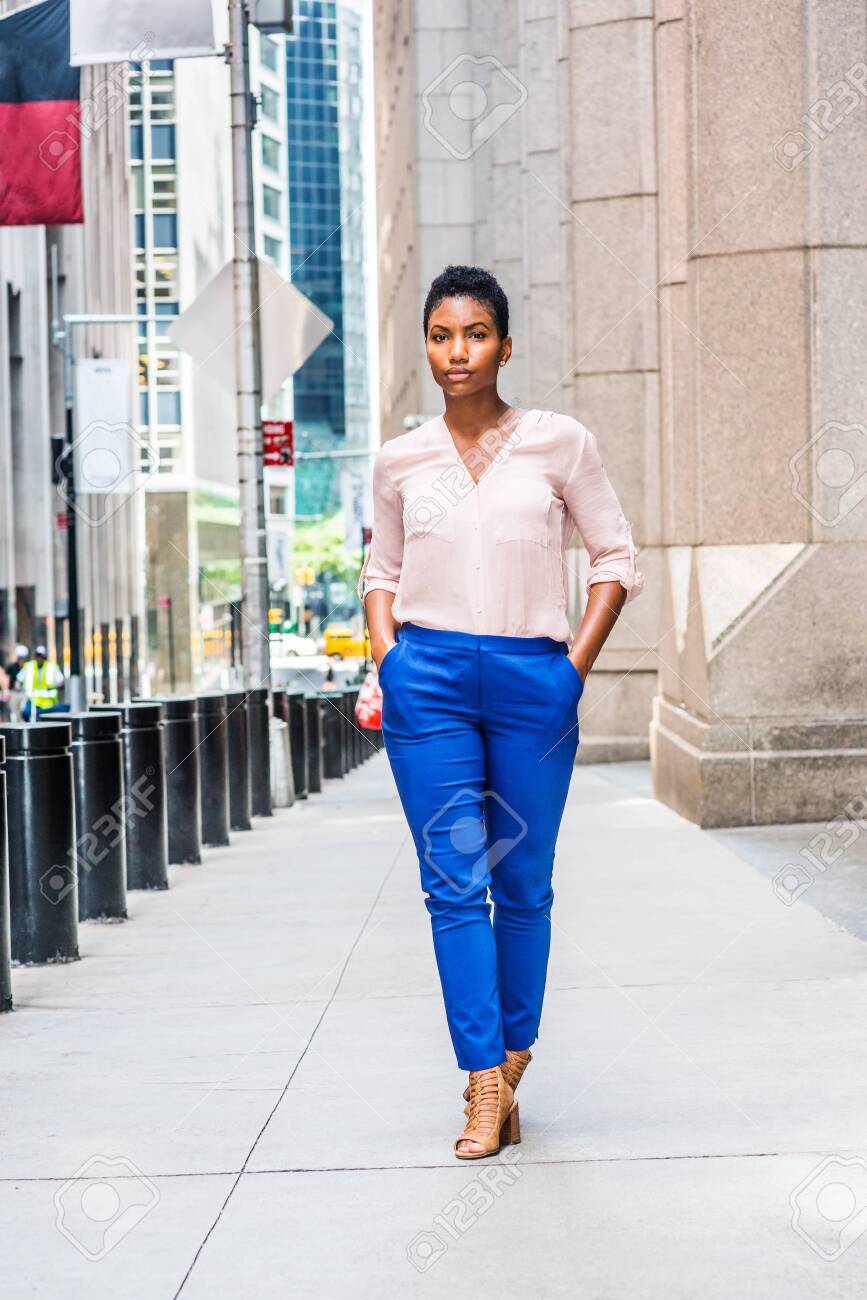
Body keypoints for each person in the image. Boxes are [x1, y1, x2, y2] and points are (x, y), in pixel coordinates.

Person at [357, 265, 645, 1160]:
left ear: (504, 346)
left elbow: (615, 555)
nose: (457, 352)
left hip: (532, 681)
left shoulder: (558, 443)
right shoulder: (399, 460)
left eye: (475, 334)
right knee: (453, 883)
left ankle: (513, 1063)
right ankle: (482, 1084)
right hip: (430, 682)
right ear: (428, 348)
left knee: (521, 883)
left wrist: (572, 668)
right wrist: (391, 660)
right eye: (442, 336)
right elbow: (381, 572)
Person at [20, 645, 69, 721]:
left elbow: (62, 684)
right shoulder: (29, 666)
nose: (39, 658)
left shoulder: (52, 667)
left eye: (41, 656)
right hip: (33, 701)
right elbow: (19, 680)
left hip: (49, 703)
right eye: (37, 656)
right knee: (26, 713)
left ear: (44, 657)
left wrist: (53, 687)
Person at [4, 644, 29, 720]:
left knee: (23, 711)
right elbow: (7, 678)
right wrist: (6, 690)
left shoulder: (28, 666)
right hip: (13, 693)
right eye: (19, 658)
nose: (21, 660)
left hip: (24, 692)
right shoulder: (11, 666)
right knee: (14, 713)